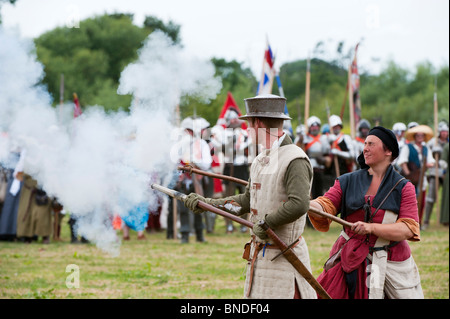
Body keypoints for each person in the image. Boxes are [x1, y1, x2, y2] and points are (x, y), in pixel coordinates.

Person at [184, 94, 317, 299]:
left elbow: (299, 204)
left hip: (285, 258)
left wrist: (267, 223)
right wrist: (208, 204)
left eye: (249, 123)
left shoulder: (295, 158)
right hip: (261, 258)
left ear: (259, 123)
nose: (247, 128)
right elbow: (248, 201)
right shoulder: (262, 158)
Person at [308, 126, 423, 299]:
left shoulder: (403, 187)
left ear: (388, 151)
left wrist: (371, 228)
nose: (365, 148)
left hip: (389, 261)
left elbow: (408, 228)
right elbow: (325, 205)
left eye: (371, 144)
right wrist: (307, 204)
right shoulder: (347, 180)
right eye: (365, 144)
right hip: (348, 257)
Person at [169, 116, 212, 243]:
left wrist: (194, 161)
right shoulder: (178, 145)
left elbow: (207, 163)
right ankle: (185, 234)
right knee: (183, 210)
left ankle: (200, 234)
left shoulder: (201, 144)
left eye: (189, 130)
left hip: (197, 181)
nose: (187, 133)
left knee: (198, 207)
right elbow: (173, 162)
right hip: (182, 181)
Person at [397, 125, 435, 226]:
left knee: (421, 201)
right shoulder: (408, 147)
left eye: (422, 135)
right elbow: (402, 161)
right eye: (418, 135)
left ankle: (419, 222)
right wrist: (409, 175)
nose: (420, 137)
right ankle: (410, 223)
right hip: (411, 179)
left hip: (422, 178)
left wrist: (427, 165)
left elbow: (431, 162)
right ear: (414, 136)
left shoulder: (426, 148)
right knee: (411, 202)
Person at [221, 107, 250, 233]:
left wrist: (245, 147)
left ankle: (243, 223)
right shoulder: (224, 134)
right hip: (229, 167)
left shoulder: (244, 134)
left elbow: (250, 150)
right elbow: (222, 150)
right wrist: (229, 147)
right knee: (228, 197)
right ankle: (229, 224)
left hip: (242, 167)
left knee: (245, 195)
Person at [423, 121, 449, 229]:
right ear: (439, 132)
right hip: (435, 172)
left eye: (446, 132)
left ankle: (445, 219)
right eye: (443, 131)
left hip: (446, 173)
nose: (444, 133)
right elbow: (426, 152)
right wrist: (434, 153)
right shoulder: (433, 142)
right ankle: (426, 221)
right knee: (431, 198)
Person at [302, 116, 331, 199]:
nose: (314, 128)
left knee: (320, 193)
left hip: (320, 169)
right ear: (309, 128)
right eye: (312, 126)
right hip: (308, 169)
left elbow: (327, 155)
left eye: (316, 126)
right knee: (310, 192)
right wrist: (301, 141)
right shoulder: (305, 138)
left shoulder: (323, 139)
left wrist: (324, 160)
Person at [440, 142, 449, 226]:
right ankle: (446, 219)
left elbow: (443, 163)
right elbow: (443, 163)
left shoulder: (446, 146)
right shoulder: (447, 146)